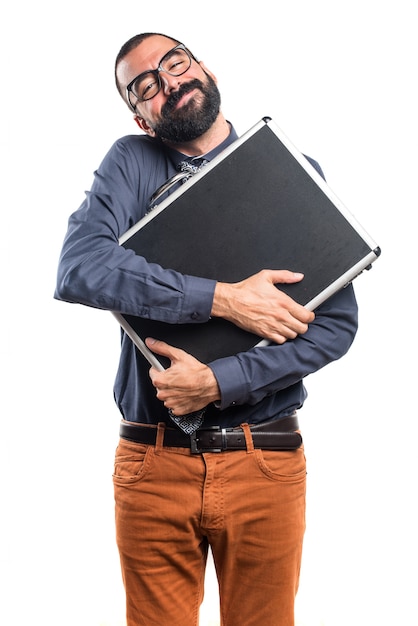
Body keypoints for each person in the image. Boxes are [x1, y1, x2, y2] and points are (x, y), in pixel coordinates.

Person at [54, 32, 358, 626]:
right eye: (145, 86)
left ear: (204, 68)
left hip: (264, 463)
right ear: (139, 116)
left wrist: (218, 383)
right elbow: (80, 267)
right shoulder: (131, 163)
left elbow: (336, 327)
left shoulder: (287, 171)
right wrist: (224, 301)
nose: (168, 82)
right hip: (153, 462)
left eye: (176, 63)